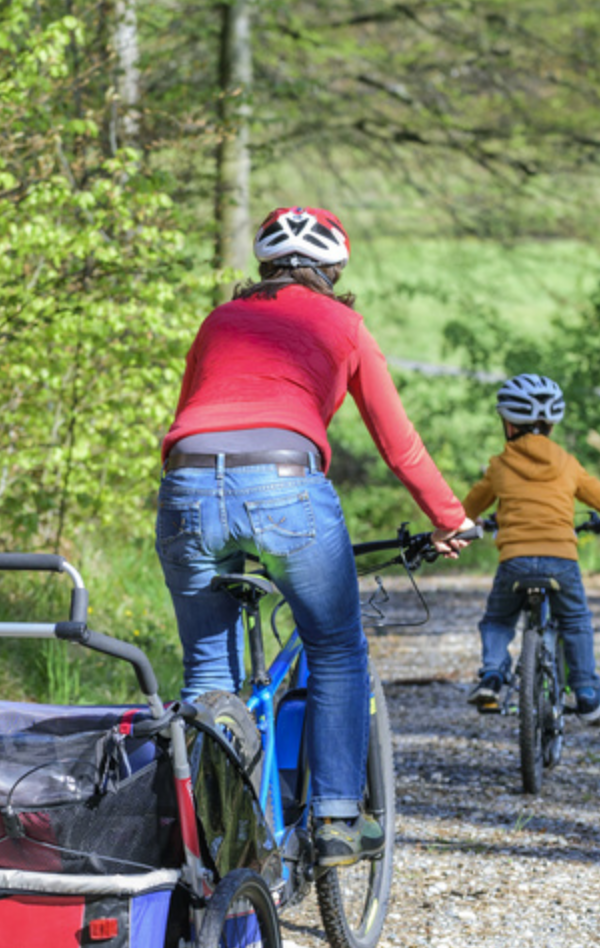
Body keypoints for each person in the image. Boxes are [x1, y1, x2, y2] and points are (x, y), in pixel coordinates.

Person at [155, 205, 474, 870]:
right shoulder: (343, 323)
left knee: (209, 671)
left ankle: (199, 838)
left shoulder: (220, 319)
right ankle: (333, 817)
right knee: (335, 648)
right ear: (333, 270)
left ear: (264, 267)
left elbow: (191, 407)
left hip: (187, 486)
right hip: (285, 486)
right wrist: (448, 518)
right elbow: (398, 442)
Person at [461, 373, 600, 723]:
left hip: (515, 562)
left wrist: (468, 524)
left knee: (497, 619)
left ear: (508, 423)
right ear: (551, 424)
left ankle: (492, 674)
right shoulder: (567, 464)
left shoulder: (500, 465)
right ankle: (584, 689)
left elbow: (467, 510)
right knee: (576, 620)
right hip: (561, 561)